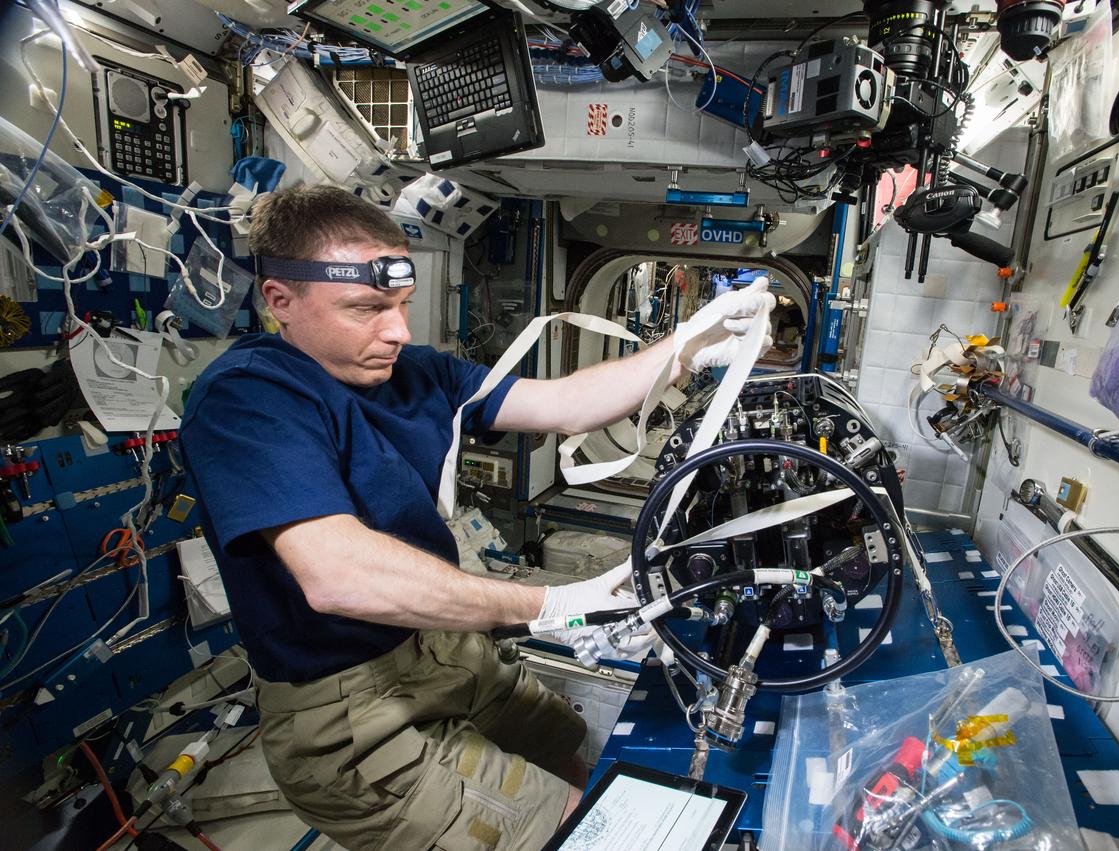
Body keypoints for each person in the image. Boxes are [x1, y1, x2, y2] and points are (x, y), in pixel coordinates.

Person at [179, 184, 775, 851]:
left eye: (401, 306)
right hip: (348, 716)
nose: (398, 330)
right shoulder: (247, 397)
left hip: (440, 653)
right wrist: (551, 605)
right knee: (586, 831)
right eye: (367, 308)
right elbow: (337, 574)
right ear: (279, 299)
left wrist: (687, 346)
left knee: (568, 755)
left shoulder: (415, 374)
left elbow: (565, 404)